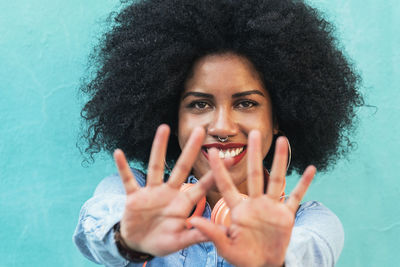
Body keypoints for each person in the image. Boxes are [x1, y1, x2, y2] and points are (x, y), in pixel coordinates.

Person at [73, 0, 363, 266]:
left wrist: (272, 260)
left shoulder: (311, 222)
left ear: (278, 118)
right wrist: (128, 239)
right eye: (200, 104)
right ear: (173, 118)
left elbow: (308, 252)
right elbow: (98, 226)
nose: (223, 128)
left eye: (246, 103)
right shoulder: (132, 193)